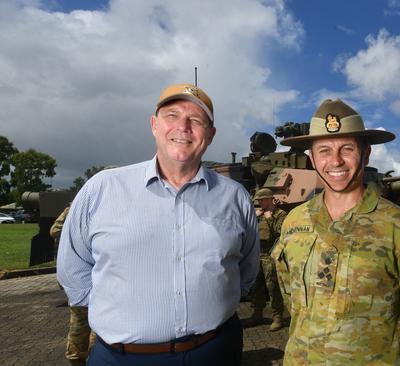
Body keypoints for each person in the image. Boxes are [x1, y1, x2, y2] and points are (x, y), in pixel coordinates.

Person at [57, 83, 259, 366]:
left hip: (214, 351)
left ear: (210, 135)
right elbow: (73, 268)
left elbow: (246, 269)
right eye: (172, 116)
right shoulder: (102, 188)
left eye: (196, 120)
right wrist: (119, 311)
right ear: (154, 125)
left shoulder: (234, 196)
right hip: (122, 358)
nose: (183, 127)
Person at [271, 99, 400, 365]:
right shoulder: (295, 220)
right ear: (313, 159)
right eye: (325, 150)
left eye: (347, 148)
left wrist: (384, 354)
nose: (336, 160)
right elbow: (290, 295)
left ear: (366, 154)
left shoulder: (397, 225)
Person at [51, 204, 96, 366]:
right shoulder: (76, 206)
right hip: (81, 273)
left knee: (99, 322)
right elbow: (54, 230)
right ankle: (77, 357)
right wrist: (77, 232)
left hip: (102, 273)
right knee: (81, 318)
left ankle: (93, 355)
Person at [244, 188, 287, 331]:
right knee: (256, 286)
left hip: (271, 254)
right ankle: (257, 313)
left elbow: (281, 233)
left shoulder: (280, 214)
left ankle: (277, 316)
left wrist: (270, 219)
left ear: (270, 199)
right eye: (258, 200)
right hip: (257, 254)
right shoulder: (258, 214)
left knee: (272, 287)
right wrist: (254, 218)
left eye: (262, 200)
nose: (260, 203)